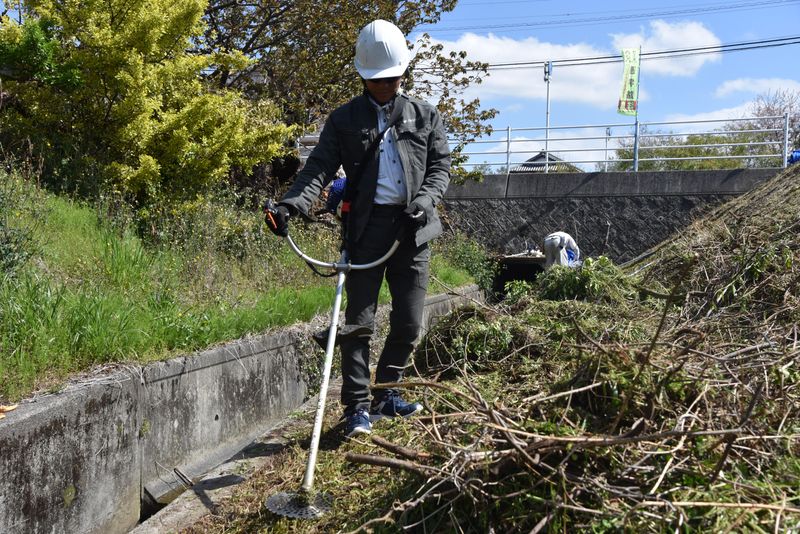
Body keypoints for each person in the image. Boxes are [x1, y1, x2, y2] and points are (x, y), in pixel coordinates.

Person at [264, 19, 451, 437]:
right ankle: (356, 408)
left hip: (414, 230)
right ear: (362, 76)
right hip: (366, 230)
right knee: (358, 321)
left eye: (391, 77)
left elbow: (441, 168)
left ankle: (387, 392)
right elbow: (318, 168)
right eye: (375, 79)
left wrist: (423, 203)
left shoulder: (425, 115)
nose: (384, 85)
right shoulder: (344, 119)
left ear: (404, 71)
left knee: (409, 321)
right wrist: (291, 206)